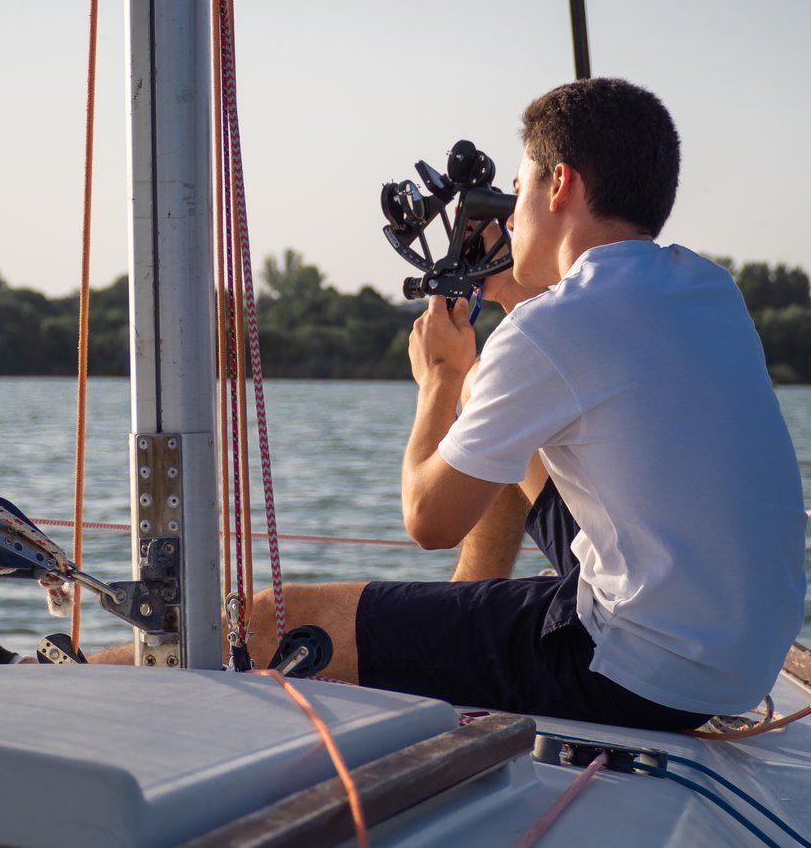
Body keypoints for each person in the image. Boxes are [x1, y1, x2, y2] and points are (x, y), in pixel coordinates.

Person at [244, 76, 807, 729]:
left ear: (559, 183)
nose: (510, 218)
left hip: (632, 675)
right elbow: (576, 359)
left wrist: (439, 381)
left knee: (269, 621)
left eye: (518, 192)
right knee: (509, 422)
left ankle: (449, 638)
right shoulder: (709, 287)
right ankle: (461, 619)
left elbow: (429, 522)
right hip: (733, 667)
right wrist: (510, 290)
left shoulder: (551, 330)